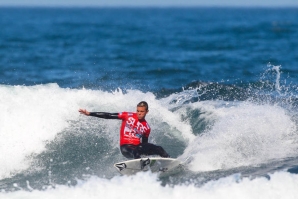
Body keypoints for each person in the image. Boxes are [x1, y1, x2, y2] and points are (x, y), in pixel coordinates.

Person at [79, 101, 170, 159]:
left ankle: (169, 161)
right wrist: (90, 113)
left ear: (147, 112)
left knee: (159, 148)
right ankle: (141, 166)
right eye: (138, 111)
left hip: (138, 147)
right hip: (126, 147)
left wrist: (149, 152)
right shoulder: (127, 115)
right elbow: (109, 115)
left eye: (142, 111)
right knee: (135, 152)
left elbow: (144, 144)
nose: (139, 113)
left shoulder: (147, 127)